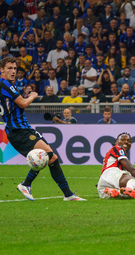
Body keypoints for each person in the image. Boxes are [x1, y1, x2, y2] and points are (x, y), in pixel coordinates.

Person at [0, 57, 85, 201]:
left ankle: (66, 194)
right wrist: (32, 96)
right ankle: (28, 185)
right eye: (9, 68)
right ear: (1, 70)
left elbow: (14, 104)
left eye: (15, 68)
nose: (13, 71)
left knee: (52, 157)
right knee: (48, 155)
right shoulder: (5, 84)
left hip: (23, 128)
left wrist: (25, 98)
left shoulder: (6, 85)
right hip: (18, 131)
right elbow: (23, 104)